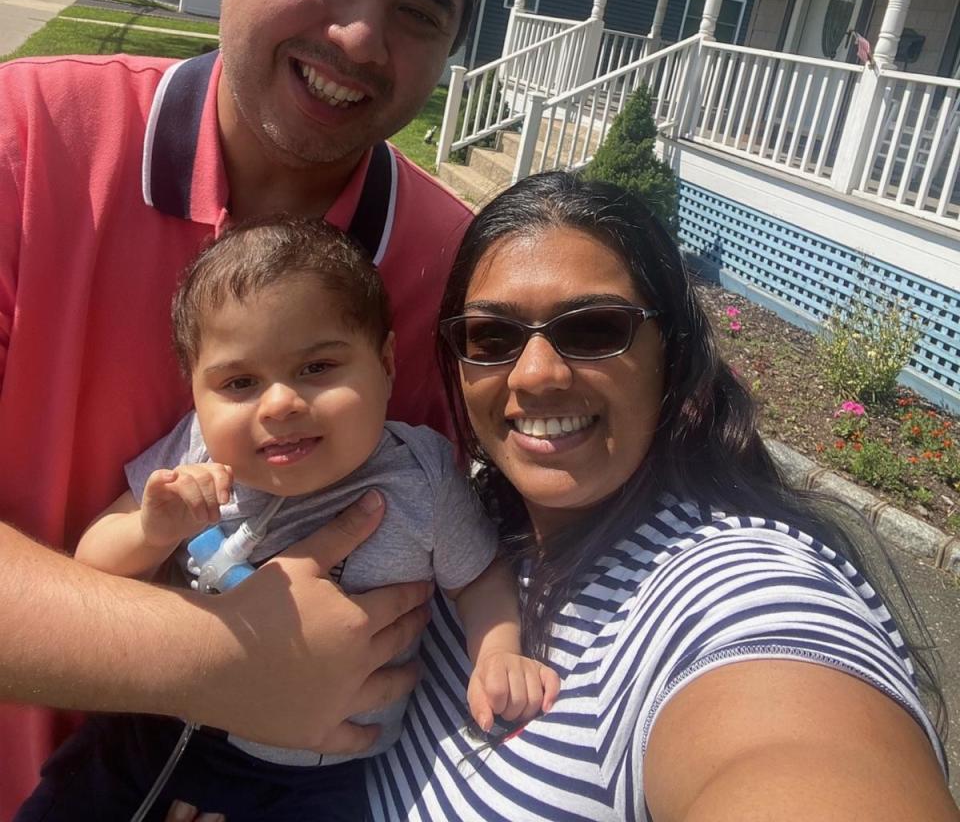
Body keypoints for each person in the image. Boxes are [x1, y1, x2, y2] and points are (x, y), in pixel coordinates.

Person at [0, 0, 499, 817]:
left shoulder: (460, 276)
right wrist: (222, 657)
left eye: (419, 12)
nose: (361, 35)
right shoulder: (24, 140)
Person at [365, 172, 957, 822]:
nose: (535, 374)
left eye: (593, 329)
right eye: (492, 338)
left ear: (671, 355)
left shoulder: (736, 591)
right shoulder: (463, 517)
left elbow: (795, 747)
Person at [17, 217, 558, 821]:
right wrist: (152, 529)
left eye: (317, 367)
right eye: (240, 382)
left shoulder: (421, 476)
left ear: (385, 364)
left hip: (316, 773)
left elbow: (479, 578)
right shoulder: (195, 453)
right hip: (160, 728)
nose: (280, 403)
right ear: (195, 393)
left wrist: (498, 651)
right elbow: (93, 560)